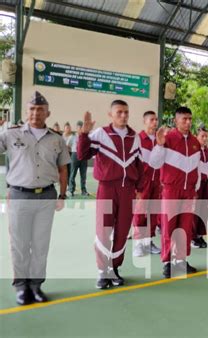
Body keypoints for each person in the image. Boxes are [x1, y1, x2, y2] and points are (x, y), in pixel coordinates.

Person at [0, 91, 70, 305]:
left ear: (47, 113)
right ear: (26, 111)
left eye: (40, 109)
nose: (35, 113)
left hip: (46, 197)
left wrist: (62, 194)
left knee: (40, 244)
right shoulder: (10, 135)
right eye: (31, 109)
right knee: (20, 244)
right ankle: (21, 287)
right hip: (19, 195)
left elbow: (63, 169)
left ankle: (36, 285)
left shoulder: (56, 139)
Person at [77, 100, 144, 289]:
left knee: (122, 231)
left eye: (126, 112)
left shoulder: (134, 137)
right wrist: (84, 133)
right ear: (110, 114)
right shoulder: (101, 134)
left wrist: (139, 189)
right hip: (106, 188)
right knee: (104, 230)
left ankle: (114, 268)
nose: (123, 115)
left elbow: (139, 166)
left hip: (128, 190)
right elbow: (82, 155)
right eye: (119, 112)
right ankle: (102, 270)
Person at [149, 106, 201, 278]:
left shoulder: (195, 142)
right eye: (184, 119)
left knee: (185, 226)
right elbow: (154, 164)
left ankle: (181, 261)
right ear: (176, 120)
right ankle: (167, 262)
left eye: (190, 119)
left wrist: (196, 185)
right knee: (169, 226)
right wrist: (159, 146)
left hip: (189, 191)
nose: (187, 122)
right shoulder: (167, 138)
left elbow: (197, 167)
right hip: (171, 190)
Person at [132, 111, 161, 257]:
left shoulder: (160, 140)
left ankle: (148, 242)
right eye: (152, 120)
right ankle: (138, 244)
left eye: (156, 119)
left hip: (157, 182)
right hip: (143, 183)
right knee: (140, 213)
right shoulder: (137, 139)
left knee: (153, 213)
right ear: (145, 121)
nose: (155, 122)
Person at [192, 126, 208, 249]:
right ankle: (193, 237)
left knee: (205, 210)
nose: (204, 139)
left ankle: (200, 235)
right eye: (202, 136)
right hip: (197, 185)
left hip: (207, 184)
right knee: (195, 210)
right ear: (197, 136)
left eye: (206, 136)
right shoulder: (194, 151)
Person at [67, 121, 90, 196]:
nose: (81, 129)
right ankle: (71, 190)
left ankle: (84, 191)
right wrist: (73, 152)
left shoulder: (87, 137)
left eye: (82, 127)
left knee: (83, 175)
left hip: (84, 157)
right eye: (79, 127)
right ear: (77, 128)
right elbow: (68, 146)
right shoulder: (72, 137)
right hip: (74, 156)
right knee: (72, 174)